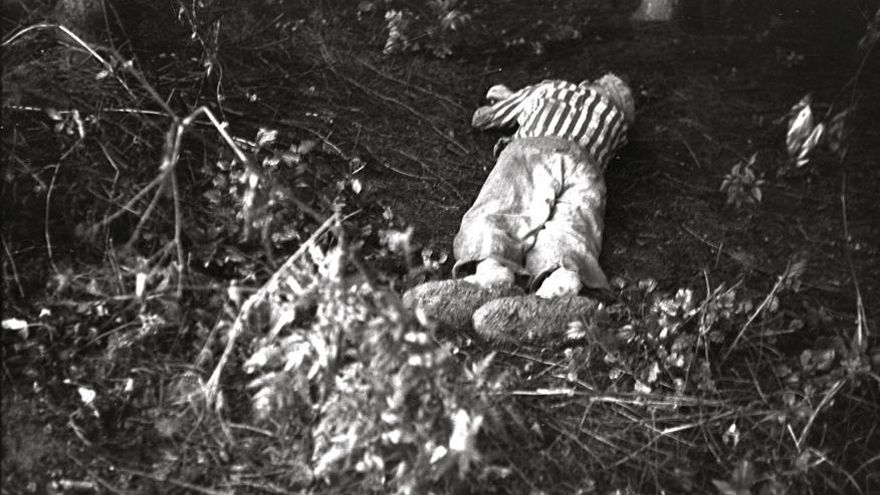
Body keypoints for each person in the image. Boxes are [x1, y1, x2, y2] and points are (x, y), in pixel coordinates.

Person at [403, 73, 635, 343]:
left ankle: (490, 274)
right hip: (587, 168)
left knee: (501, 207)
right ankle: (558, 288)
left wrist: (495, 106)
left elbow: (491, 116)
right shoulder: (617, 124)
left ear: (587, 84)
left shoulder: (554, 88)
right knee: (572, 226)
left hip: (533, 148)